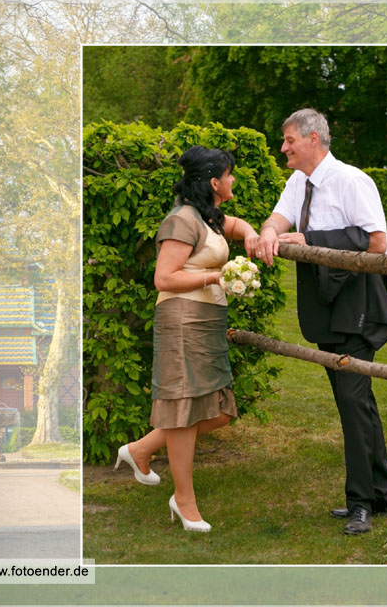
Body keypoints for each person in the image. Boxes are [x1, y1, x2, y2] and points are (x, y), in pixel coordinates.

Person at [255, 108, 387, 535]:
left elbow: (377, 243)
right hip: (325, 306)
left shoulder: (352, 181)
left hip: (356, 305)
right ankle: (383, 493)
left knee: (353, 406)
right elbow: (279, 218)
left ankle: (360, 502)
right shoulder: (296, 182)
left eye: (288, 140)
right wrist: (269, 232)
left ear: (314, 140)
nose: (283, 147)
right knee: (356, 404)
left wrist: (310, 240)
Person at [115, 145, 258, 533]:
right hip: (182, 320)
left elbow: (234, 225)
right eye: (229, 175)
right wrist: (218, 276)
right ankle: (184, 500)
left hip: (208, 321)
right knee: (182, 411)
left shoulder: (208, 217)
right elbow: (164, 278)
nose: (233, 181)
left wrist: (250, 234)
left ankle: (141, 449)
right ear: (214, 182)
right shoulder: (182, 220)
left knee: (220, 410)